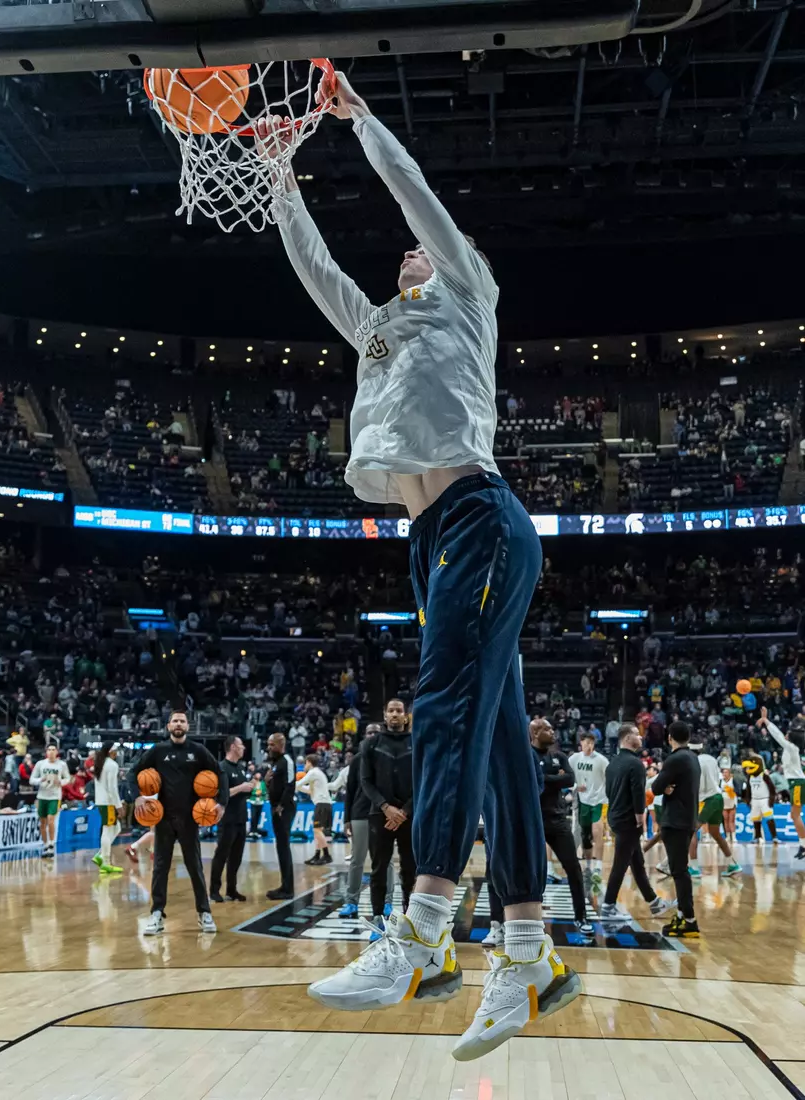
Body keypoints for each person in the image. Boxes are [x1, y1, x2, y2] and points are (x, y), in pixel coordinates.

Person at [261, 70, 578, 1058]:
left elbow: (418, 202)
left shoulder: (468, 294)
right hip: (430, 540)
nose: (407, 252)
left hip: (482, 518)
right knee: (499, 749)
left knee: (443, 709)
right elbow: (318, 273)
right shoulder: (382, 332)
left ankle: (422, 928)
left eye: (422, 251)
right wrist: (281, 179)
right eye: (402, 255)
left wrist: (360, 125)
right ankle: (527, 951)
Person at [131, 711, 227, 935]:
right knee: (160, 868)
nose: (178, 724)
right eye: (175, 721)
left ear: (187, 726)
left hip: (189, 818)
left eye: (182, 721)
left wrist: (221, 803)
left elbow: (220, 773)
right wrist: (137, 795)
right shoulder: (158, 750)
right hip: (163, 818)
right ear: (168, 726)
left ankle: (204, 913)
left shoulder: (198, 751)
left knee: (195, 867)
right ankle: (156, 914)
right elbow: (134, 772)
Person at [601, 724, 674, 923]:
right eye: (636, 734)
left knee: (637, 862)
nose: (640, 736)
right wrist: (640, 819)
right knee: (621, 864)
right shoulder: (635, 764)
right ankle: (607, 907)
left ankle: (654, 903)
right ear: (626, 739)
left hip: (615, 817)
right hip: (628, 820)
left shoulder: (612, 763)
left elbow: (609, 792)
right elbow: (637, 794)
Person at [527, 719, 593, 934]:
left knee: (574, 869)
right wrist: (556, 778)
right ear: (535, 732)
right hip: (532, 822)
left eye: (552, 727)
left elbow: (570, 780)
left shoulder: (560, 756)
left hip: (557, 820)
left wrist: (545, 779)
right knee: (529, 872)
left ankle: (581, 917)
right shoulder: (526, 755)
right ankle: (529, 919)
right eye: (547, 728)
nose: (553, 731)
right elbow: (532, 781)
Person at [359, 699, 416, 925]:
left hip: (408, 816)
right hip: (379, 814)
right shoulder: (371, 744)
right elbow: (366, 781)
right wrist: (386, 807)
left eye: (398, 711)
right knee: (378, 868)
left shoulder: (417, 742)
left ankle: (410, 916)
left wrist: (404, 811)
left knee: (410, 868)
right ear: (385, 716)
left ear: (405, 716)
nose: (394, 714)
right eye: (390, 710)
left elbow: (423, 780)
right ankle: (378, 915)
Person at [650, 721, 702, 938]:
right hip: (688, 819)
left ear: (669, 737)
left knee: (679, 872)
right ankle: (682, 915)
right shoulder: (693, 758)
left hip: (676, 821)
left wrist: (666, 787)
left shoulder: (675, 758)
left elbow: (655, 787)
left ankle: (689, 920)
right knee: (680, 870)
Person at [339, 722, 395, 919]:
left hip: (382, 814)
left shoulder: (390, 758)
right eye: (369, 732)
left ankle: (388, 902)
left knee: (385, 861)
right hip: (360, 814)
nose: (372, 735)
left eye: (376, 732)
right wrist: (347, 819)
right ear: (364, 735)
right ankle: (350, 902)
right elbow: (350, 791)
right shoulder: (356, 760)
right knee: (357, 860)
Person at [210, 735, 254, 903]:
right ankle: (214, 890)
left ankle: (231, 889)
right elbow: (220, 794)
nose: (243, 748)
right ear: (233, 747)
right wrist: (241, 787)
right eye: (241, 745)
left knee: (236, 857)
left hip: (241, 819)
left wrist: (250, 787)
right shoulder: (221, 768)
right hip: (226, 819)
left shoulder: (241, 768)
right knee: (221, 855)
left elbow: (243, 792)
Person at [688, 741, 741, 878]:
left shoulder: (693, 762)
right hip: (718, 797)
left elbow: (696, 783)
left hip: (707, 799)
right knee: (715, 833)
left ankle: (693, 867)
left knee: (691, 830)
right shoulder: (711, 759)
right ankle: (732, 864)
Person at [758, 707, 805, 860]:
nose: (785, 735)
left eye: (788, 734)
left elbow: (777, 736)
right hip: (796, 783)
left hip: (797, 783)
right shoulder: (791, 749)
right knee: (794, 815)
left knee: (795, 815)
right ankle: (803, 844)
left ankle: (804, 845)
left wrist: (766, 721)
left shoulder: (791, 748)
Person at [568, 732, 609, 881]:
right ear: (581, 744)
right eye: (586, 743)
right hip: (582, 800)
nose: (589, 746)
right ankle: (589, 865)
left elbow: (609, 779)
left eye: (591, 743)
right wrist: (573, 787)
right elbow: (566, 775)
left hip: (599, 800)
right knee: (585, 835)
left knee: (597, 831)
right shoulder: (574, 759)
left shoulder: (601, 760)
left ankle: (598, 866)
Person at [266, 732, 296, 900]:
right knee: (281, 847)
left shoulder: (287, 761)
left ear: (281, 745)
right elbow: (274, 784)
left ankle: (288, 889)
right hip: (276, 808)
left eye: (272, 745)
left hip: (284, 809)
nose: (269, 748)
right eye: (269, 744)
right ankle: (284, 886)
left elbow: (290, 785)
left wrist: (281, 806)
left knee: (284, 847)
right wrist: (266, 780)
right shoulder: (276, 763)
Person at [29, 745, 70, 858]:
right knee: (42, 822)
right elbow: (31, 780)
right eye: (49, 750)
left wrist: (60, 782)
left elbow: (67, 778)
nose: (51, 752)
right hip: (42, 796)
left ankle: (52, 843)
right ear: (46, 752)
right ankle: (45, 845)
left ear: (56, 752)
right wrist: (40, 780)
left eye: (53, 750)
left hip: (55, 796)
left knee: (51, 820)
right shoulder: (40, 764)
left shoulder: (62, 764)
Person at [91, 741, 123, 875]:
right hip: (108, 802)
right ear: (111, 751)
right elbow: (112, 788)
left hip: (100, 801)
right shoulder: (112, 765)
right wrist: (119, 805)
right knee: (107, 829)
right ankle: (105, 862)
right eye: (116, 751)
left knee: (117, 828)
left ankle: (100, 855)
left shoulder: (99, 763)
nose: (117, 753)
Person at [296, 754, 333, 865]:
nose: (304, 765)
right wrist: (298, 786)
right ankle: (317, 855)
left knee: (316, 830)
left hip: (322, 804)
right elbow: (309, 790)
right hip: (325, 804)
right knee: (318, 832)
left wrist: (290, 784)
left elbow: (301, 783)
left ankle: (326, 855)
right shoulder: (318, 773)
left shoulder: (313, 772)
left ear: (309, 762)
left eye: (305, 763)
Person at [721, 767, 738, 844]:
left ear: (730, 773)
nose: (724, 774)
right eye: (723, 772)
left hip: (732, 802)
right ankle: (727, 836)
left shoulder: (733, 780)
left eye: (726, 772)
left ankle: (734, 837)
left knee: (731, 820)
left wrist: (731, 791)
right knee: (725, 820)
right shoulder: (720, 781)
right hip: (724, 802)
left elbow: (738, 790)